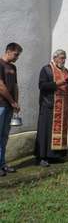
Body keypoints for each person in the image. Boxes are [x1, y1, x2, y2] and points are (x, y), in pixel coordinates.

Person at [35, 50, 68, 167]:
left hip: (63, 106)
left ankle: (55, 156)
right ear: (55, 58)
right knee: (46, 132)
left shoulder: (66, 71)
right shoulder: (46, 69)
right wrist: (61, 82)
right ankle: (42, 157)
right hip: (49, 105)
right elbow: (42, 86)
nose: (63, 60)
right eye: (61, 58)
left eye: (64, 58)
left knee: (59, 132)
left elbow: (67, 88)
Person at [0, 43, 22, 176]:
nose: (17, 57)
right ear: (8, 51)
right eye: (16, 54)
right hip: (1, 105)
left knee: (4, 136)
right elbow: (1, 86)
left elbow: (15, 86)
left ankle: (2, 164)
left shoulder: (13, 67)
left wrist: (16, 103)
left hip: (9, 106)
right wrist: (12, 101)